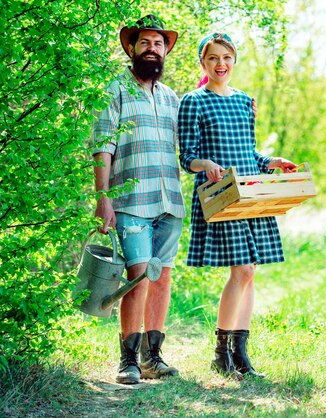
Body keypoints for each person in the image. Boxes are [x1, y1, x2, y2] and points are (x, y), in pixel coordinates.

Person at [178, 33, 297, 380]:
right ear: (203, 63)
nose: (221, 65)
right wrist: (207, 165)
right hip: (221, 192)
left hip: (251, 190)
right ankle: (221, 352)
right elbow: (187, 158)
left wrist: (272, 161)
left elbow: (250, 154)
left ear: (234, 60)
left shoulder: (245, 101)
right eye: (213, 58)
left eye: (227, 57)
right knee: (242, 270)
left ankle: (240, 354)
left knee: (250, 271)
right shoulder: (193, 101)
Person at [91, 14, 185, 385]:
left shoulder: (172, 98)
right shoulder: (114, 89)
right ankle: (127, 360)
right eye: (144, 43)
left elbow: (195, 140)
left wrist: (243, 112)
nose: (152, 49)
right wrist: (103, 199)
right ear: (132, 48)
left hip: (169, 203)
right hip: (129, 201)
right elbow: (102, 148)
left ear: (165, 51)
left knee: (161, 279)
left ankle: (153, 358)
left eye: (158, 44)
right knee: (137, 278)